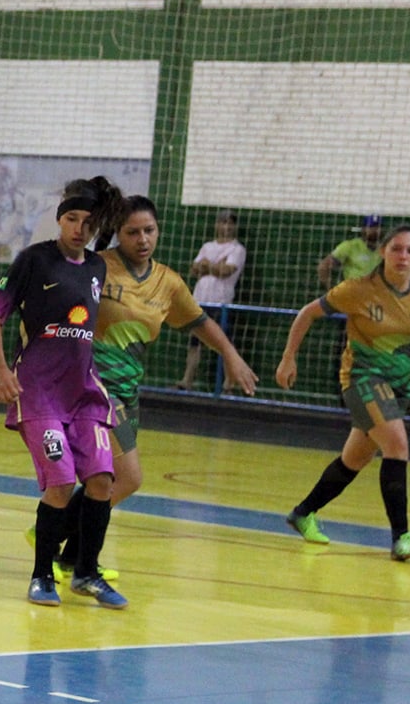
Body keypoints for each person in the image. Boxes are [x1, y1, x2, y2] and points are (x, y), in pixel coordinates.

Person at [49, 196, 259, 578]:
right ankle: (53, 535)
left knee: (115, 479)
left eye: (149, 230)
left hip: (128, 387)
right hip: (92, 385)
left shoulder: (167, 282)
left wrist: (231, 355)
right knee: (126, 475)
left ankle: (68, 551)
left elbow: (199, 322)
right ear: (118, 233)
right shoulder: (97, 267)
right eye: (133, 232)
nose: (142, 239)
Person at [0, 176, 127, 609]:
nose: (79, 228)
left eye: (88, 222)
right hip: (39, 391)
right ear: (60, 220)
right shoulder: (34, 259)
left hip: (84, 392)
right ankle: (42, 575)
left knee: (102, 479)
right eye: (72, 219)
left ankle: (86, 573)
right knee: (62, 482)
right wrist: (1, 371)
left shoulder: (98, 267)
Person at [277, 225, 410, 561]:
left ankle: (303, 513)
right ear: (383, 252)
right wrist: (289, 358)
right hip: (362, 377)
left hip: (399, 384)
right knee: (397, 445)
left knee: (356, 458)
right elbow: (307, 313)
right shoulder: (358, 289)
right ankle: (401, 538)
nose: (403, 256)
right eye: (396, 249)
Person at [178, 209, 248, 390]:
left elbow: (226, 271)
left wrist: (207, 265)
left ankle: (228, 384)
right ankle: (187, 380)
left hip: (221, 302)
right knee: (195, 343)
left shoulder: (237, 249)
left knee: (224, 344)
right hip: (200, 301)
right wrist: (216, 265)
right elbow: (194, 269)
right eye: (223, 222)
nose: (227, 227)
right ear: (217, 225)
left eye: (230, 223)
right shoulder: (207, 246)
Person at [318, 215, 383, 287]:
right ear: (363, 229)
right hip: (354, 290)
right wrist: (331, 288)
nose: (374, 230)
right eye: (371, 227)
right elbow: (324, 266)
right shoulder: (350, 246)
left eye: (377, 227)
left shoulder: (385, 249)